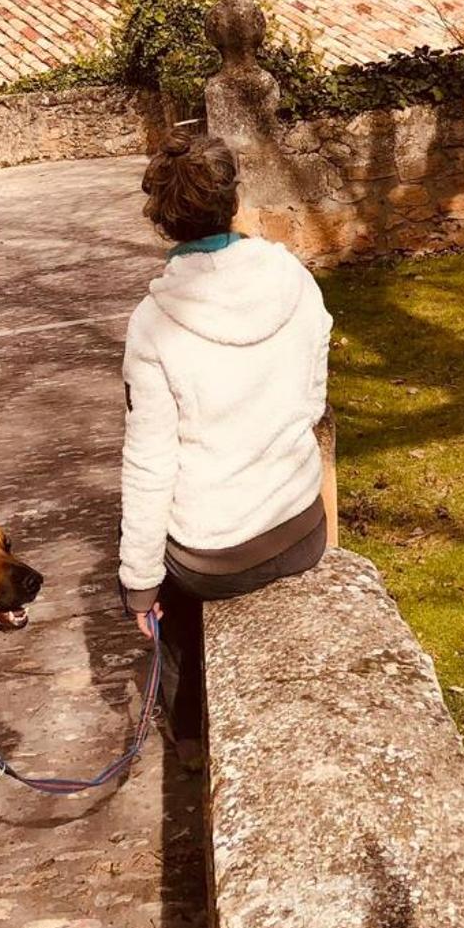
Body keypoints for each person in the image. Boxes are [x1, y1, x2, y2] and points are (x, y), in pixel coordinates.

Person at [119, 129, 332, 761]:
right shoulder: (294, 279)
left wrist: (138, 585)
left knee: (166, 579)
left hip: (214, 560)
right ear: (234, 201)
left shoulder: (153, 324)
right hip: (300, 528)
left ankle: (189, 732)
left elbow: (150, 466)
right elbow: (312, 401)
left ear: (164, 222)